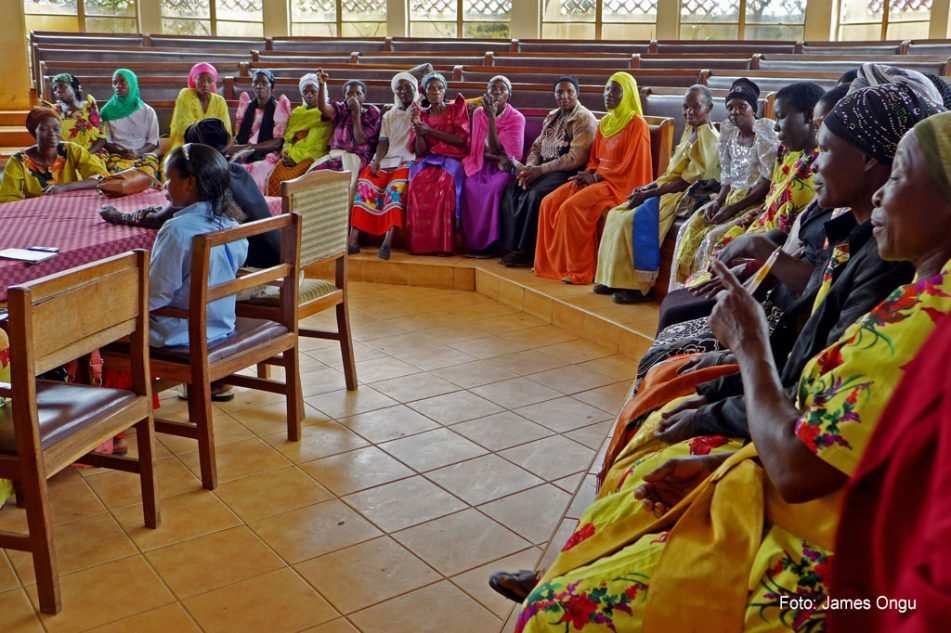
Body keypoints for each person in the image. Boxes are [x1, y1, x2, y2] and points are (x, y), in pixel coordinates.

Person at [498, 108, 951, 633]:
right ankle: (572, 568)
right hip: (795, 472)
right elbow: (834, 425)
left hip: (845, 569)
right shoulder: (915, 291)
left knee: (555, 617)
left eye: (898, 176)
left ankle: (567, 583)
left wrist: (748, 342)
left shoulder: (925, 324)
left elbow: (803, 465)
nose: (879, 195)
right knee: (648, 463)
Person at [602, 83, 932, 480]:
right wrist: (731, 365)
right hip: (775, 402)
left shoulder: (890, 272)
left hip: (787, 449)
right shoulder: (852, 236)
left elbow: (805, 446)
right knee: (663, 378)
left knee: (643, 456)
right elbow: (803, 360)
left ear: (866, 159)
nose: (815, 164)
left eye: (824, 148)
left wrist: (743, 351)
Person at [686, 82, 826, 285]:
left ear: (808, 115)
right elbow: (770, 203)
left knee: (721, 264)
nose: (776, 126)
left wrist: (749, 244)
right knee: (716, 245)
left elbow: (795, 234)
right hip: (761, 229)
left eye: (781, 117)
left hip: (781, 249)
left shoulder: (823, 164)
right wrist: (740, 225)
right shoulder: (785, 152)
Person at [593, 84, 720, 303]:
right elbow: (672, 172)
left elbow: (686, 180)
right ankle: (611, 279)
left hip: (686, 195)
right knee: (616, 213)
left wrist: (652, 193)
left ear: (709, 108)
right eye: (686, 107)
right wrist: (648, 188)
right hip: (669, 188)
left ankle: (637, 286)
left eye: (695, 107)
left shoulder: (707, 136)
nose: (689, 112)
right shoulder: (691, 131)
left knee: (631, 220)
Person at [101, 118, 280, 269]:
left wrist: (120, 216)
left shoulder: (206, 180)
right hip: (275, 257)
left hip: (253, 268)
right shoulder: (236, 170)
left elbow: (158, 219)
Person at [533, 72, 653, 285]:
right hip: (599, 179)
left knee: (571, 208)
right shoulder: (606, 122)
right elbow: (595, 158)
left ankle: (581, 271)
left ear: (628, 94)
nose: (608, 94)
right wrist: (588, 173)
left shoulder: (637, 125)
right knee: (548, 203)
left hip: (619, 185)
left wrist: (597, 176)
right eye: (607, 89)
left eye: (615, 90)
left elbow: (632, 167)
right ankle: (553, 265)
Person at [670, 79, 778, 288]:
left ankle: (703, 291)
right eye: (730, 107)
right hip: (729, 197)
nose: (735, 112)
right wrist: (719, 202)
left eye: (742, 106)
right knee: (690, 228)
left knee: (711, 238)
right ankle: (682, 289)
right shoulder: (728, 133)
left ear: (752, 109)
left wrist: (731, 209)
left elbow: (765, 183)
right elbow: (726, 178)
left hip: (752, 202)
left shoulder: (764, 135)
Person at [149, 143, 248, 349]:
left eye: (169, 178)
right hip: (220, 325)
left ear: (190, 183)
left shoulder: (177, 230)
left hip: (178, 332)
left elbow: (157, 294)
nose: (165, 185)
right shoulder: (232, 225)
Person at [497, 76, 597, 268]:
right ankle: (510, 246)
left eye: (569, 92)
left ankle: (527, 252)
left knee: (534, 195)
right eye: (560, 92)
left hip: (565, 171)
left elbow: (575, 158)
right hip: (542, 169)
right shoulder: (552, 116)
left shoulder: (584, 119)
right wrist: (528, 169)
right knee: (513, 189)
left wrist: (539, 170)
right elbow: (536, 146)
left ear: (577, 94)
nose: (564, 96)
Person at [349, 72, 419, 260]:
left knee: (393, 191)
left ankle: (387, 240)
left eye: (408, 88)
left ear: (415, 89)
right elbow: (382, 142)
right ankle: (352, 239)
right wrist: (377, 161)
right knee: (365, 182)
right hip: (388, 158)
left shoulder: (421, 110)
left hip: (408, 160)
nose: (403, 92)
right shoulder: (389, 115)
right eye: (399, 89)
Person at [404, 72, 470, 255]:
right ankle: (421, 244)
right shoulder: (422, 116)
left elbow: (461, 140)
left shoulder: (455, 110)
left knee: (444, 186)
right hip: (428, 160)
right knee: (417, 185)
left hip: (452, 159)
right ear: (425, 92)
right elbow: (420, 151)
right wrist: (418, 130)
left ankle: (443, 244)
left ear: (444, 90)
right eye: (431, 88)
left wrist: (430, 131)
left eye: (439, 88)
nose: (435, 92)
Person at [460, 75, 525, 255]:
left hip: (504, 166)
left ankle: (491, 243)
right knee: (469, 184)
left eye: (502, 89)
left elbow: (503, 153)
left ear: (509, 95)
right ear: (486, 94)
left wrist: (491, 119)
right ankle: (472, 242)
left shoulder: (516, 118)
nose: (497, 92)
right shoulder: (478, 113)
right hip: (481, 161)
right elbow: (477, 147)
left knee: (493, 188)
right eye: (492, 88)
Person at [0, 107, 107, 203]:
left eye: (56, 128)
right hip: (36, 212)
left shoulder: (71, 150)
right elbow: (7, 200)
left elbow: (102, 178)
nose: (52, 134)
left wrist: (65, 187)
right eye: (44, 129)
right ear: (33, 132)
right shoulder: (18, 161)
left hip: (71, 206)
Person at [307, 71, 382, 193]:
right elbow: (323, 109)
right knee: (312, 177)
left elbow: (360, 139)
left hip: (356, 157)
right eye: (349, 93)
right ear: (345, 97)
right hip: (334, 154)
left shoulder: (372, 112)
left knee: (340, 185)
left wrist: (356, 113)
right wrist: (321, 85)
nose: (354, 97)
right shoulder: (341, 108)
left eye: (358, 93)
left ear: (364, 97)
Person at [265, 73, 332, 197]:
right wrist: (286, 153)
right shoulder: (297, 113)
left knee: (290, 183)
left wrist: (295, 157)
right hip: (291, 156)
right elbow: (288, 137)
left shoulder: (325, 114)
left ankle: (292, 214)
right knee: (273, 177)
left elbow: (317, 145)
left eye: (313, 91)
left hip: (310, 157)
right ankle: (276, 213)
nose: (309, 95)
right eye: (305, 91)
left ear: (321, 93)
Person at [230, 69, 292, 193]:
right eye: (255, 82)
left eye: (264, 83)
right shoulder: (248, 107)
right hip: (244, 151)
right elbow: (238, 136)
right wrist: (233, 147)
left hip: (268, 156)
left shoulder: (277, 108)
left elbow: (278, 142)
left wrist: (250, 148)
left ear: (271, 85)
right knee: (226, 167)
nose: (259, 86)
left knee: (257, 170)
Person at [98, 68, 160, 178]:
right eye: (115, 82)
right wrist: (122, 152)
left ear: (132, 83)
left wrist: (138, 153)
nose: (118, 86)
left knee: (147, 172)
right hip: (117, 155)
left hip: (143, 154)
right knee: (118, 174)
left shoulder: (147, 111)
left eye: (122, 81)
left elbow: (153, 141)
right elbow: (106, 141)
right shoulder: (106, 112)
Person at [166, 63, 232, 166]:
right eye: (201, 80)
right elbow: (183, 127)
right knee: (180, 165)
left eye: (209, 81)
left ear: (213, 82)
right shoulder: (185, 95)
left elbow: (225, 129)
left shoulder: (220, 101)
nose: (205, 84)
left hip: (214, 147)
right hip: (186, 144)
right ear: (194, 80)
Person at [50, 72, 104, 153]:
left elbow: (101, 138)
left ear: (74, 88)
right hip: (67, 157)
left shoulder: (89, 106)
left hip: (91, 154)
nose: (58, 90)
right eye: (55, 88)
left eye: (62, 86)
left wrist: (85, 155)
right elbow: (54, 142)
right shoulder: (55, 112)